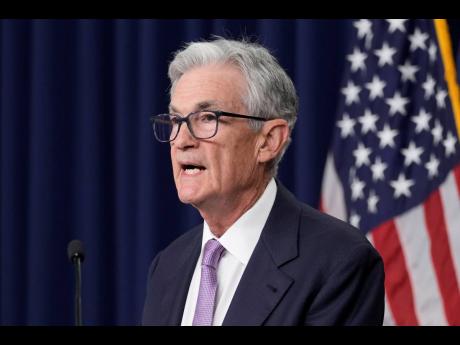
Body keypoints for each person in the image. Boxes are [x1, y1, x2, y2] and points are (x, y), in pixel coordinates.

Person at [142, 37, 384, 326]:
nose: (181, 140)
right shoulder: (167, 267)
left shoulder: (339, 262)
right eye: (175, 120)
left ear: (268, 141)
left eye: (206, 118)